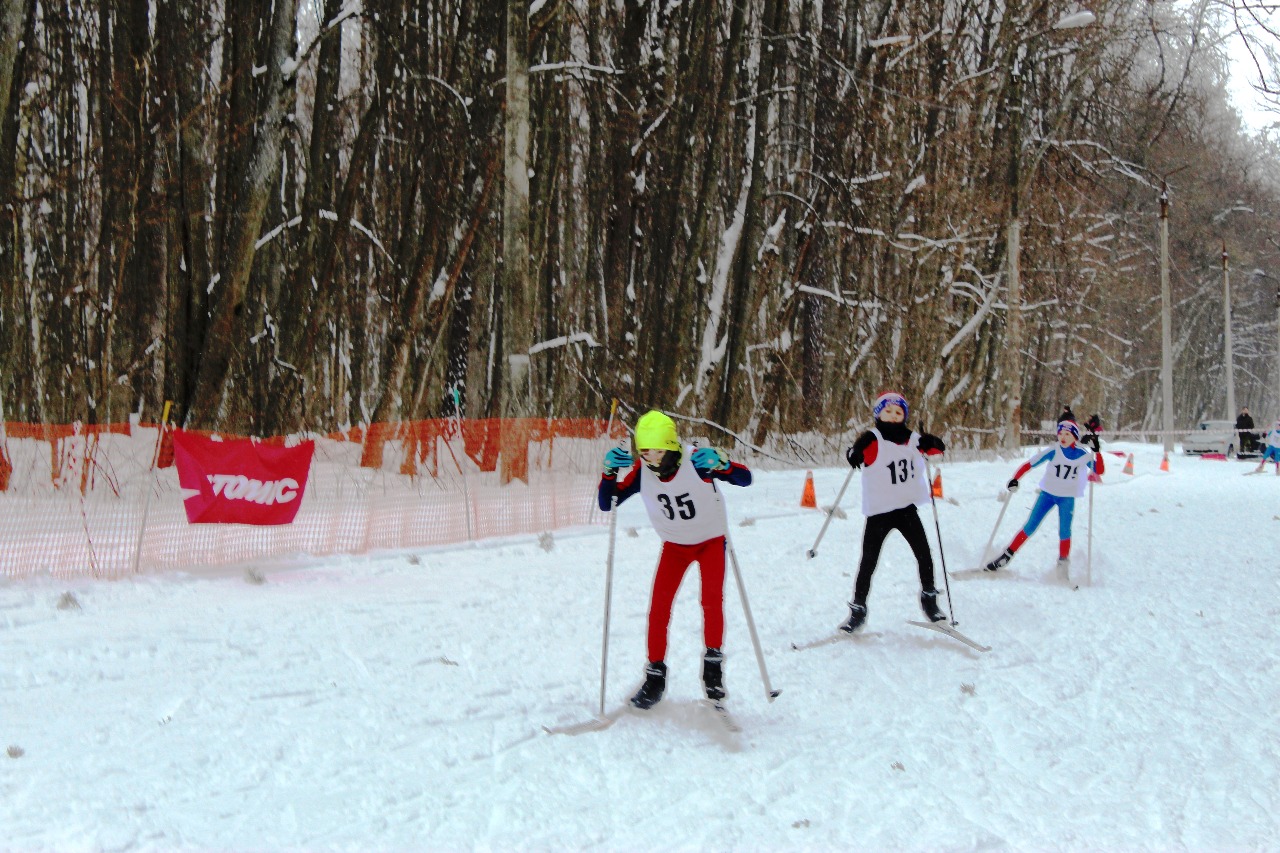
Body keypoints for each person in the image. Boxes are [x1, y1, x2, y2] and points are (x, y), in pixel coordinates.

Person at [597, 410, 752, 710]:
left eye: (656, 452)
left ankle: (713, 671)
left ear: (671, 447)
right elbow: (608, 503)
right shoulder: (643, 472)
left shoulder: (696, 462)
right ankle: (655, 677)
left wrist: (724, 463)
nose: (650, 460)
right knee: (659, 608)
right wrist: (607, 473)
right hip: (675, 546)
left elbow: (745, 479)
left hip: (709, 541)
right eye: (644, 453)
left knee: (711, 601)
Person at [838, 392, 947, 634]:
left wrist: (934, 443)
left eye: (899, 413)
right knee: (868, 562)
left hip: (906, 508)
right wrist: (853, 455)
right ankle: (858, 610)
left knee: (924, 554)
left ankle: (929, 600)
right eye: (888, 411)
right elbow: (855, 451)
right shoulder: (872, 438)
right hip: (879, 512)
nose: (893, 416)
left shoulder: (912, 439)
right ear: (878, 414)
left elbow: (934, 449)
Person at [985, 420, 1096, 578]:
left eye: (1067, 434)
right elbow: (1029, 464)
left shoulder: (1082, 453)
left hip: (1067, 498)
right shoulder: (1054, 450)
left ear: (1075, 437)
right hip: (1047, 495)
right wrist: (1015, 478)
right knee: (1030, 526)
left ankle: (1063, 566)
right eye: (1060, 434)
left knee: (1065, 531)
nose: (1062, 437)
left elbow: (1099, 469)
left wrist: (1096, 451)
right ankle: (1006, 556)